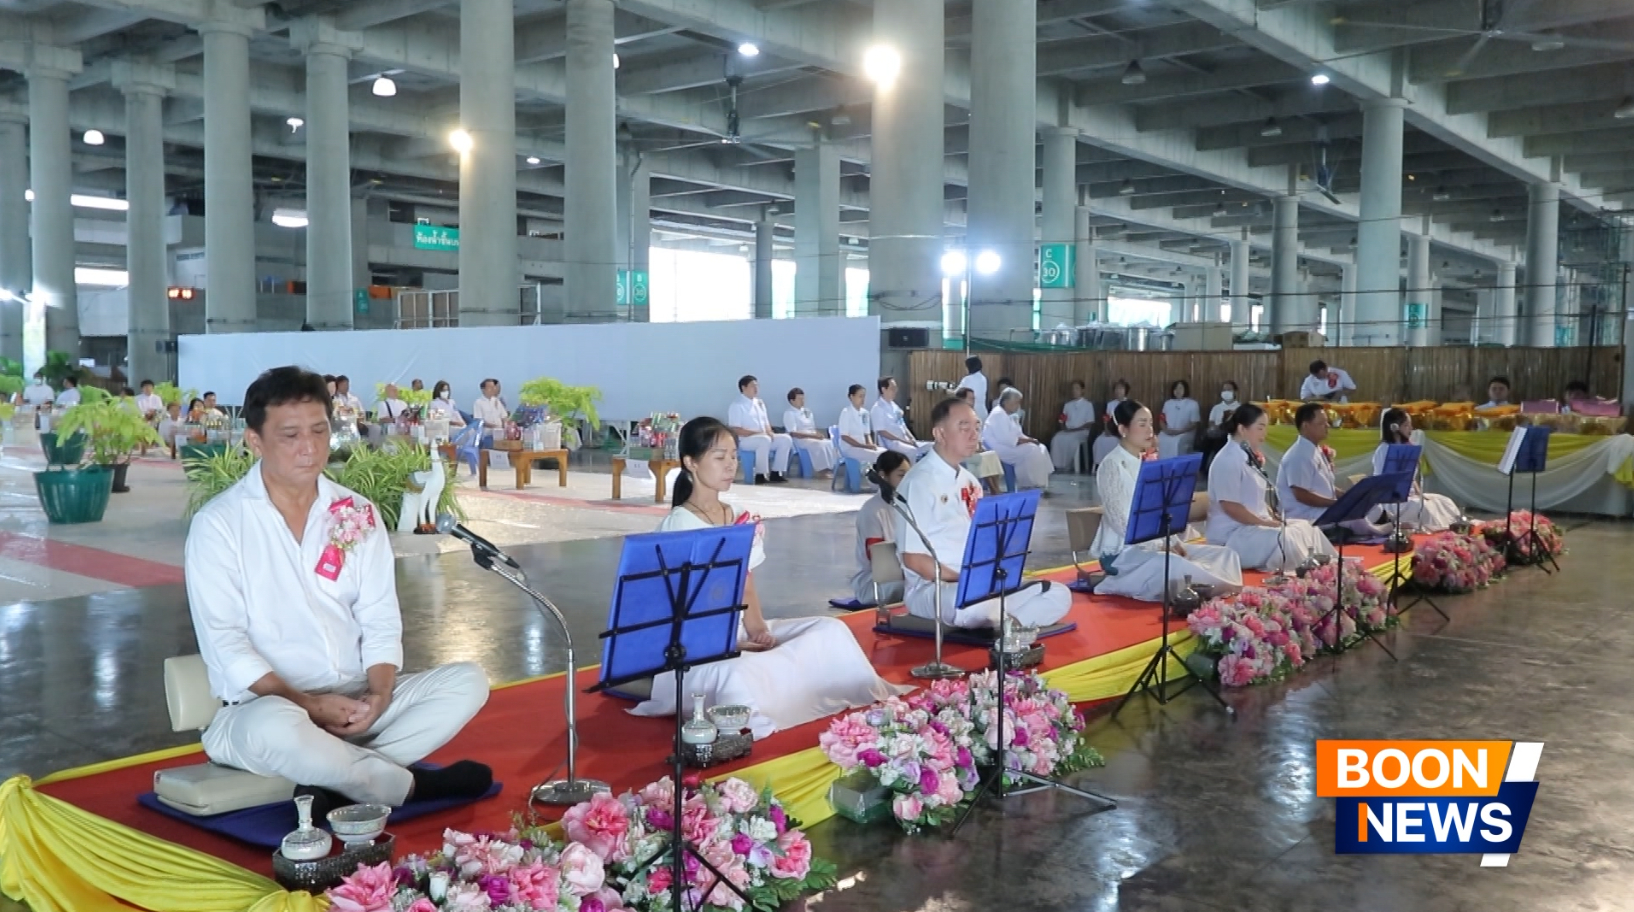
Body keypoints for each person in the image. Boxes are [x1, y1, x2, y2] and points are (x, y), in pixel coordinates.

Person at [184, 366, 491, 815]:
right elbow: (225, 642)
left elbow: (379, 614)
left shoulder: (356, 511)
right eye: (290, 435)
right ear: (255, 441)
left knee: (468, 683)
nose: (309, 447)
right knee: (278, 730)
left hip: (354, 701)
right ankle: (405, 786)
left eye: (319, 430)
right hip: (266, 708)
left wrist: (379, 695)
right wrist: (308, 705)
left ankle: (341, 777)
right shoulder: (220, 525)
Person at [632, 417, 906, 738]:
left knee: (830, 629)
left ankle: (840, 696)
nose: (730, 465)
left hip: (735, 630)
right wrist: (729, 643)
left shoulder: (736, 513)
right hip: (693, 645)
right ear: (690, 463)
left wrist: (758, 629)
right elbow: (673, 608)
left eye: (734, 456)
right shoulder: (678, 525)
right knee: (739, 674)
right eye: (720, 457)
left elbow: (744, 580)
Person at [896, 397, 1071, 629]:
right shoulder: (918, 482)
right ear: (939, 434)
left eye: (976, 427)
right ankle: (1005, 623)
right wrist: (965, 579)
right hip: (935, 587)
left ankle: (1006, 628)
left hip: (981, 585)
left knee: (1058, 594)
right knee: (974, 607)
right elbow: (914, 559)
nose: (974, 435)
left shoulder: (970, 481)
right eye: (964, 427)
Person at [1092, 400, 1242, 601]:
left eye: (1150, 423)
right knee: (1176, 565)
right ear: (1123, 429)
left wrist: (1173, 541)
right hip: (1123, 553)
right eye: (1142, 424)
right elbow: (1122, 523)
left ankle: (1206, 590)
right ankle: (1120, 582)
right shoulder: (1112, 465)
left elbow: (1159, 512)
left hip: (1153, 546)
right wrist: (1161, 546)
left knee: (1226, 555)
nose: (1150, 430)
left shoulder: (1144, 462)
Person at [1205, 403, 1336, 572]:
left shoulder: (1245, 455)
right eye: (1260, 428)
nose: (1264, 434)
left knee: (1307, 528)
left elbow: (1255, 499)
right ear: (1242, 429)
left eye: (1265, 428)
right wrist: (1264, 523)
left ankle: (1328, 568)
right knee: (1286, 539)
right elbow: (1230, 506)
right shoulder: (1227, 459)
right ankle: (1308, 573)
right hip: (1232, 533)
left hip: (1252, 526)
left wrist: (1272, 517)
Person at [1276, 402, 1387, 537]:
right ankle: (1376, 531)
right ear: (1306, 426)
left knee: (1374, 506)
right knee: (1353, 516)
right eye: (1322, 423)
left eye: (1327, 422)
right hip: (1306, 514)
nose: (1327, 426)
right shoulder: (1298, 455)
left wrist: (1349, 497)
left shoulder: (1315, 450)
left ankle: (1362, 529)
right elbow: (1301, 495)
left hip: (1323, 509)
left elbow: (1326, 487)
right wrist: (1336, 504)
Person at [1372, 408, 1462, 532]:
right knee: (1425, 508)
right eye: (1406, 425)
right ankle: (1435, 533)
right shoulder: (1384, 449)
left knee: (1444, 502)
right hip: (1391, 500)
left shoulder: (1407, 448)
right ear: (1395, 428)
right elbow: (1381, 480)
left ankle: (1454, 529)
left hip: (1409, 496)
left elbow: (1412, 479)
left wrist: (1420, 494)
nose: (1411, 428)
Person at [850, 451, 911, 606]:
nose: (907, 481)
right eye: (901, 475)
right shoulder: (872, 510)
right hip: (875, 582)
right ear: (883, 476)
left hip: (907, 572)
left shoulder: (908, 506)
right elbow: (877, 559)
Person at [981, 387, 1054, 490]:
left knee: (1041, 447)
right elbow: (1008, 439)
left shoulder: (1010, 415)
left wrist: (1031, 440)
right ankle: (1031, 484)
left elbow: (1019, 434)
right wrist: (1030, 441)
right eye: (1016, 402)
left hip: (1010, 445)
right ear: (1006, 402)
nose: (1018, 405)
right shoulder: (998, 414)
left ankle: (1042, 479)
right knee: (1032, 450)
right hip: (1000, 448)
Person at [727, 375, 793, 484]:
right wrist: (758, 433)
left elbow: (765, 421)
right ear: (743, 387)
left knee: (785, 439)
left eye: (757, 386)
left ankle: (777, 472)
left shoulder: (759, 402)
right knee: (764, 440)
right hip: (745, 440)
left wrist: (770, 432)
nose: (756, 389)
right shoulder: (737, 405)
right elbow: (736, 429)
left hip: (763, 437)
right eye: (753, 386)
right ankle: (760, 474)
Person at [870, 377, 933, 461]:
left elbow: (902, 424)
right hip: (892, 443)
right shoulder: (878, 408)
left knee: (932, 446)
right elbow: (882, 432)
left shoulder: (894, 406)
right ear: (884, 389)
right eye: (892, 388)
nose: (895, 391)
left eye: (896, 388)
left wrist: (912, 438)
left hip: (904, 440)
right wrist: (903, 441)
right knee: (911, 451)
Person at [955, 388, 1005, 494]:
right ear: (961, 399)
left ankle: (996, 488)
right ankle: (994, 490)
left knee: (992, 455)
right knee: (983, 459)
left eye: (974, 399)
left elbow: (977, 434)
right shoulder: (955, 416)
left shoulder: (972, 414)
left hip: (974, 449)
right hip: (961, 452)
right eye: (970, 399)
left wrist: (980, 447)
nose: (973, 401)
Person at [781, 387, 837, 478]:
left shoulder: (807, 411)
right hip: (799, 440)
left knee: (828, 443)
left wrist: (817, 434)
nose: (802, 401)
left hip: (811, 436)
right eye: (799, 399)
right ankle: (821, 470)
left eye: (803, 398)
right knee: (819, 445)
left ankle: (830, 468)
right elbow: (793, 433)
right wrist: (812, 436)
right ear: (792, 401)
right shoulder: (789, 413)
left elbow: (812, 427)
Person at [1049, 380, 1096, 472]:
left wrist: (1076, 429)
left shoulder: (1088, 405)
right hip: (1068, 430)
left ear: (1082, 390)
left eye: (1077, 388)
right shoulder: (1067, 405)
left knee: (1071, 440)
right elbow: (1063, 419)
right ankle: (1057, 465)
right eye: (1073, 389)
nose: (1074, 391)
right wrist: (1063, 426)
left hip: (1081, 432)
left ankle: (1068, 464)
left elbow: (1090, 423)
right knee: (1057, 438)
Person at [838, 383, 886, 464]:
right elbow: (844, 436)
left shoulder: (865, 413)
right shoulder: (846, 412)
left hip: (863, 447)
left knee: (885, 453)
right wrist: (863, 446)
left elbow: (867, 434)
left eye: (864, 396)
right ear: (852, 397)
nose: (863, 399)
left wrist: (870, 445)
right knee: (876, 455)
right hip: (850, 448)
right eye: (860, 396)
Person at [1092, 379, 1132, 470]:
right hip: (1111, 430)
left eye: (1121, 389)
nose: (1118, 391)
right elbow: (1106, 419)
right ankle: (1101, 464)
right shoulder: (1110, 404)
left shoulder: (1129, 404)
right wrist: (1107, 430)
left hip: (1124, 431)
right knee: (1100, 441)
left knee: (1117, 442)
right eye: (1116, 389)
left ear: (1126, 390)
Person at [1158, 379, 1201, 459]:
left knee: (1177, 442)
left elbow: (1194, 423)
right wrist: (1166, 430)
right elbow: (1162, 419)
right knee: (1160, 439)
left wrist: (1179, 431)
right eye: (1176, 388)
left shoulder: (1193, 404)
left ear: (1185, 390)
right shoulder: (1168, 403)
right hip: (1169, 431)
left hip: (1185, 432)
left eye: (1180, 388)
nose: (1178, 391)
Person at [952, 356, 988, 422]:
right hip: (983, 412)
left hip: (972, 411)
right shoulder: (983, 378)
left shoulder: (967, 379)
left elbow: (956, 393)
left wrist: (945, 390)